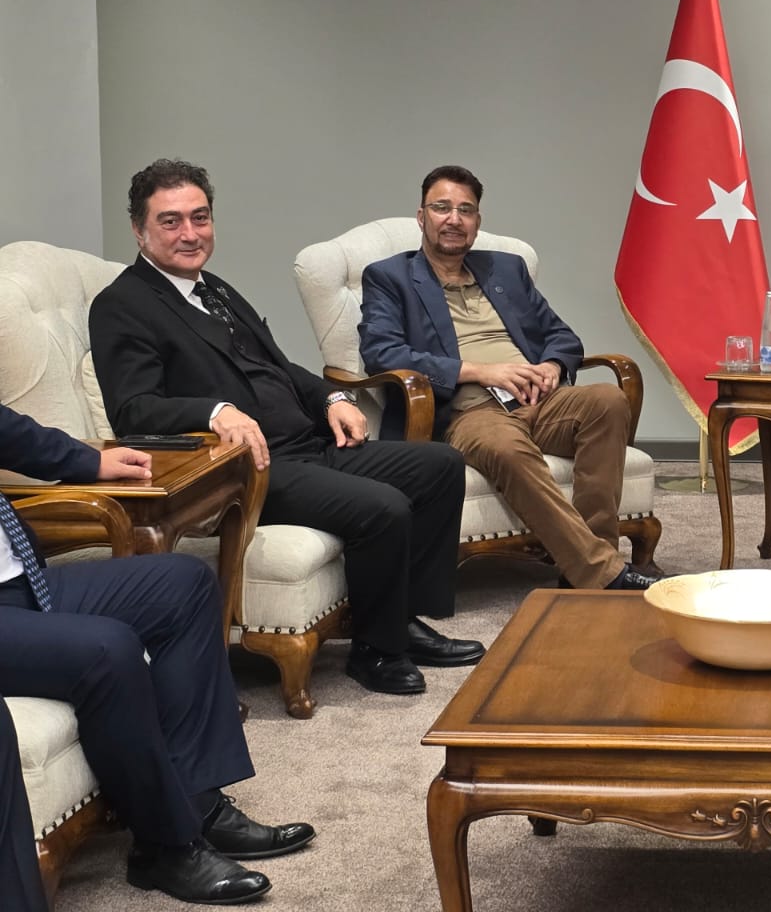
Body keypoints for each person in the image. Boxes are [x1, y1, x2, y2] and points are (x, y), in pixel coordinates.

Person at [88, 158, 482, 697]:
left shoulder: (216, 290)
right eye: (170, 221)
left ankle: (403, 621)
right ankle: (376, 651)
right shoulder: (121, 305)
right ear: (139, 230)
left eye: (200, 218)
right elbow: (133, 410)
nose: (190, 234)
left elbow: (280, 367)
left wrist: (332, 397)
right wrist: (213, 412)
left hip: (308, 444)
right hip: (246, 467)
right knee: (383, 506)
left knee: (440, 465)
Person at [0, 401, 314, 905]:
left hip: (22, 583)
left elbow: (7, 429)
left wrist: (89, 461)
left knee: (183, 585)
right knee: (108, 649)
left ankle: (198, 801)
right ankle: (166, 846)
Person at [358, 165, 656, 591]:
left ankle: (591, 561)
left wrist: (552, 366)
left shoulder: (506, 270)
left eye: (466, 210)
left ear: (477, 222)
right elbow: (381, 353)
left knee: (608, 400)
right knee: (505, 445)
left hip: (540, 401)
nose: (454, 219)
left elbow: (561, 335)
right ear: (421, 217)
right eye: (442, 208)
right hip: (468, 413)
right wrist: (481, 371)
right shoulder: (390, 277)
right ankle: (603, 574)